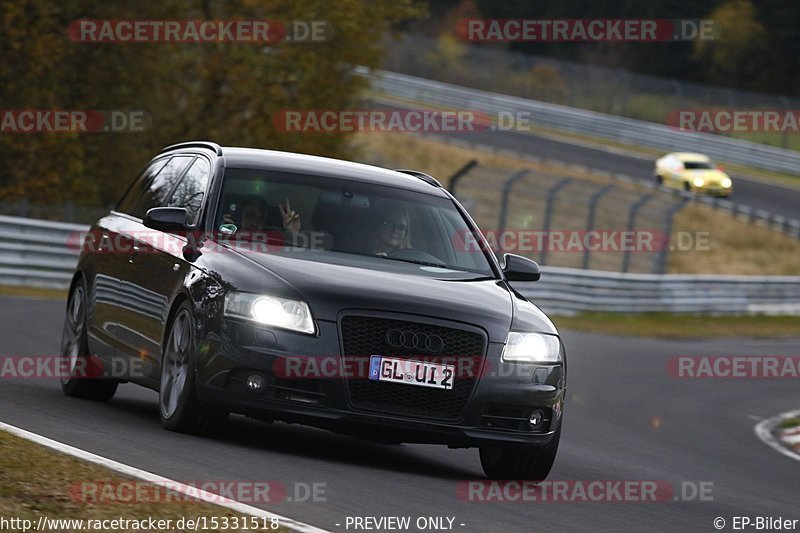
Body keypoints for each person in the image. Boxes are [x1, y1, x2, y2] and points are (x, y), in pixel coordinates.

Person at [221, 196, 300, 234]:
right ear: (239, 215)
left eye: (261, 218)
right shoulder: (226, 239)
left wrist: (291, 234)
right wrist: (225, 232)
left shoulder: (272, 245)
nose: (255, 223)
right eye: (250, 215)